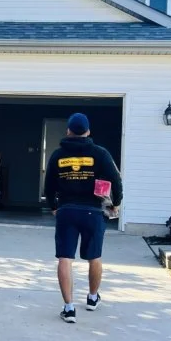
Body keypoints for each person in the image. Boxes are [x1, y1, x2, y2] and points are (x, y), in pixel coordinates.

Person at [44, 113, 123, 325]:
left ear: (68, 131)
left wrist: (53, 206)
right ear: (88, 131)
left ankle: (69, 309)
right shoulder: (100, 153)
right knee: (94, 256)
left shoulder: (58, 155)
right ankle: (92, 298)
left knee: (65, 258)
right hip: (93, 212)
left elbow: (49, 185)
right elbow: (116, 179)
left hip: (67, 211)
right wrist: (116, 202)